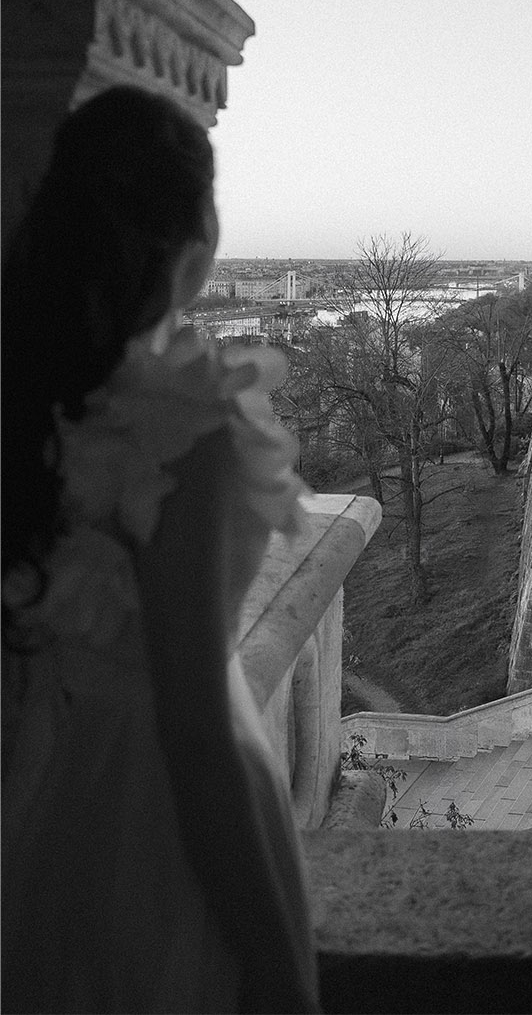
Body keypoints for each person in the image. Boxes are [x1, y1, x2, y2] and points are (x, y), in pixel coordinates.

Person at [1, 86, 321, 1014]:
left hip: (48, 796)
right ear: (195, 237)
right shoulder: (183, 420)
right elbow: (191, 724)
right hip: (159, 824)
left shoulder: (35, 399)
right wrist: (277, 966)